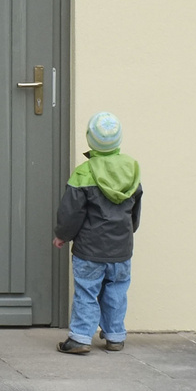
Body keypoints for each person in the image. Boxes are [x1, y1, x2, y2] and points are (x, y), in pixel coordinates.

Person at [51, 111, 143, 355]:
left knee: (87, 291)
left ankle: (80, 338)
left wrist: (62, 234)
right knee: (116, 290)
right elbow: (135, 208)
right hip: (121, 248)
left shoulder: (84, 172)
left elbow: (71, 212)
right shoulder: (131, 168)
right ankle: (114, 336)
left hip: (90, 249)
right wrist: (128, 232)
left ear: (89, 139)